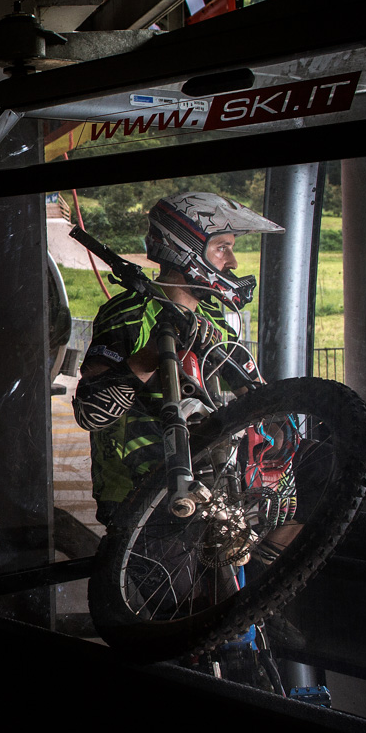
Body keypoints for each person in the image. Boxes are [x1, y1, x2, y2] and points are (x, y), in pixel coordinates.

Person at [72, 191, 283, 525]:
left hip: (209, 483)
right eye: (222, 248)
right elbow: (90, 413)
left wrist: (282, 433)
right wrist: (151, 354)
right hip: (137, 492)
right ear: (187, 251)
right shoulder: (129, 313)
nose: (232, 263)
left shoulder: (213, 315)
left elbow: (257, 392)